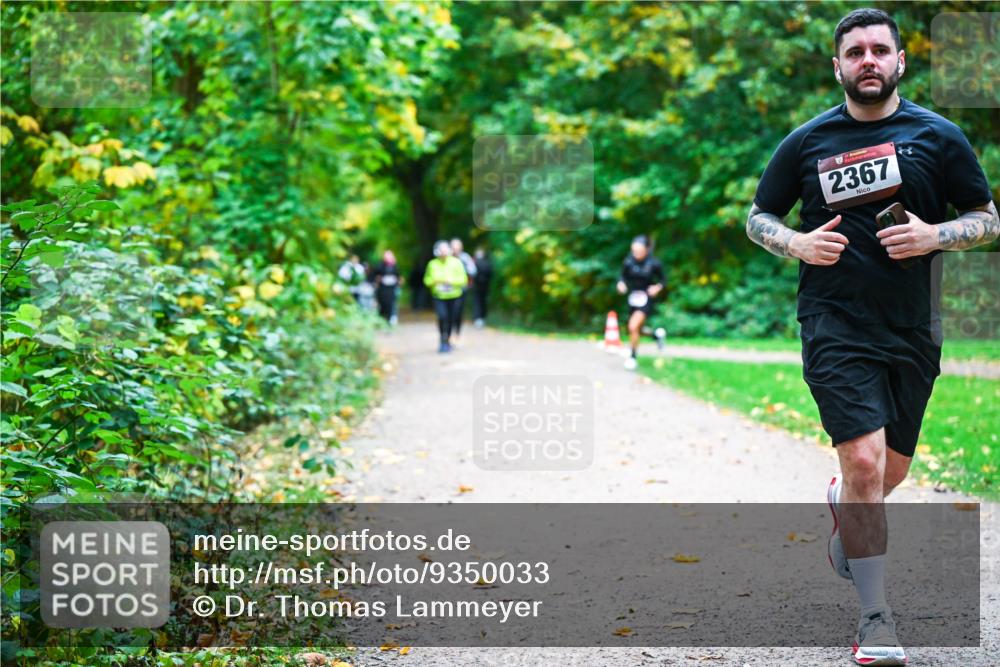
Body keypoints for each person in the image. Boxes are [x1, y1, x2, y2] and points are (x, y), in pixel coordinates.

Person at [745, 9, 997, 665]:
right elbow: (758, 215)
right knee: (861, 461)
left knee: (888, 471)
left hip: (914, 326)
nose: (867, 59)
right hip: (834, 323)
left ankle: (846, 508)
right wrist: (796, 242)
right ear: (837, 65)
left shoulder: (938, 137)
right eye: (854, 50)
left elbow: (985, 215)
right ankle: (876, 618)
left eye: (879, 49)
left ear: (899, 62)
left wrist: (934, 234)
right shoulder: (807, 142)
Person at [615, 235, 664, 370]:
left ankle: (632, 357)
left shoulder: (654, 263)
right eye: (634, 251)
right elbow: (622, 277)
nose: (636, 254)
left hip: (646, 299)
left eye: (639, 251)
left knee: (633, 326)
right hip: (633, 298)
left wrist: (657, 287)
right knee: (637, 329)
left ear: (647, 250)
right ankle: (656, 335)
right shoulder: (629, 262)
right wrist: (621, 284)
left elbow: (663, 280)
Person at [423, 240, 468, 353]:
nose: (443, 252)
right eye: (441, 249)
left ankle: (447, 340)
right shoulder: (432, 264)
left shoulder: (456, 263)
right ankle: (443, 340)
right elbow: (426, 280)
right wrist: (434, 282)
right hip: (439, 296)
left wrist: (451, 281)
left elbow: (464, 280)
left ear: (449, 250)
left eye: (445, 249)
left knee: (451, 319)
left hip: (454, 296)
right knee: (442, 317)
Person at [450, 238, 477, 340]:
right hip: (447, 290)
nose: (455, 250)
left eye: (457, 247)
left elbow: (473, 270)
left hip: (462, 288)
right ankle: (449, 331)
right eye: (453, 247)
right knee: (449, 311)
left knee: (458, 311)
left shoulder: (465, 257)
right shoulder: (446, 258)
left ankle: (456, 332)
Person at [371, 250, 403, 325]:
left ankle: (389, 319)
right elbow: (375, 276)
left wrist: (399, 282)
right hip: (382, 289)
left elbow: (399, 277)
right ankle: (381, 320)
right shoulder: (380, 265)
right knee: (382, 304)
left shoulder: (395, 266)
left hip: (392, 288)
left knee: (391, 304)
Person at [472, 248, 493, 327]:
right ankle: (482, 318)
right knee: (483, 302)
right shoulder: (487, 263)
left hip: (477, 286)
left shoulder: (475, 262)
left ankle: (478, 318)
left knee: (477, 302)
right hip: (485, 286)